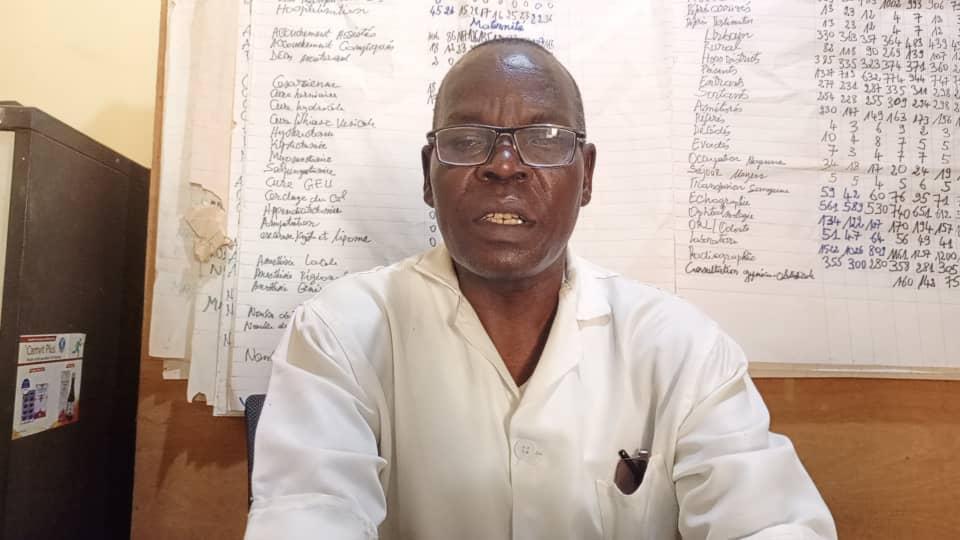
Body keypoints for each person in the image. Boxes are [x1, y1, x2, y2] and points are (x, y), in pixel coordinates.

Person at [245, 38, 837, 540]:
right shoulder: (339, 334)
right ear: (429, 174)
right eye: (467, 139)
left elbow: (769, 523)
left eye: (546, 138)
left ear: (587, 176)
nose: (504, 165)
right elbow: (307, 514)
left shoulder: (683, 349)